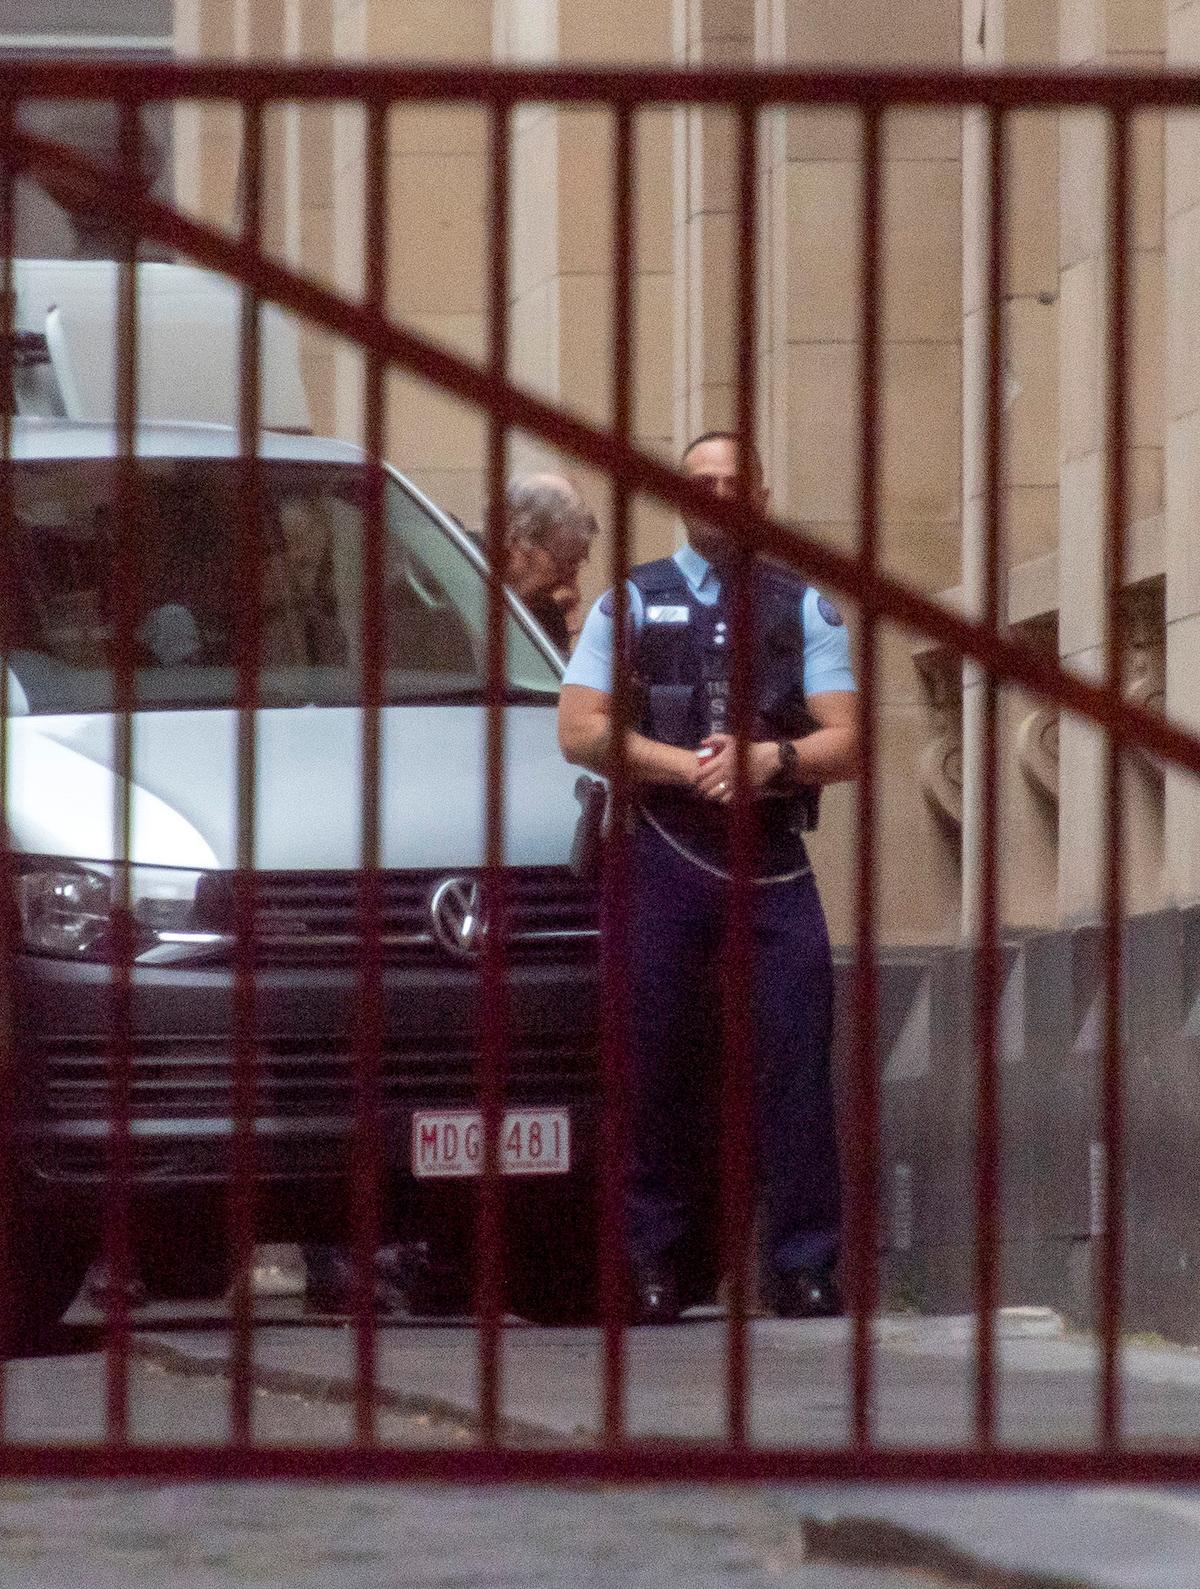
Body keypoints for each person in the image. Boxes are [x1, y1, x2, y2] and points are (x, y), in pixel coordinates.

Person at [557, 431, 859, 1324]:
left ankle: (804, 1265)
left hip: (769, 861)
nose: (719, 494)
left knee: (797, 1059)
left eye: (735, 482)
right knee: (651, 1062)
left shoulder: (802, 606)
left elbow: (848, 738)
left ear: (758, 496)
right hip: (662, 854)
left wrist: (771, 759)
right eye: (703, 482)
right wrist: (681, 765)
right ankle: (651, 1260)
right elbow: (579, 728)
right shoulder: (631, 605)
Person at [502, 474, 599, 653]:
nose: (574, 627)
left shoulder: (548, 612)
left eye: (577, 561)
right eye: (562, 558)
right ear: (516, 541)